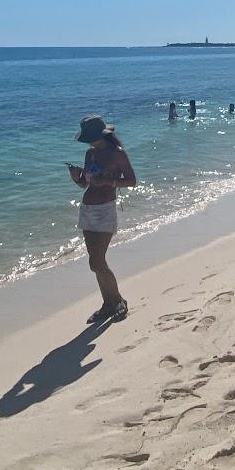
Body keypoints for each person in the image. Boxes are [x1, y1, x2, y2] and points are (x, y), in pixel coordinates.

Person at [67, 116, 137, 323]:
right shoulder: (90, 154)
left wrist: (109, 181)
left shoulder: (117, 155)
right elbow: (84, 184)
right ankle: (108, 303)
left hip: (105, 210)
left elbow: (132, 181)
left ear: (99, 136)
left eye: (89, 138)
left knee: (97, 261)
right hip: (87, 209)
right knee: (95, 263)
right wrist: (76, 177)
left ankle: (118, 301)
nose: (87, 142)